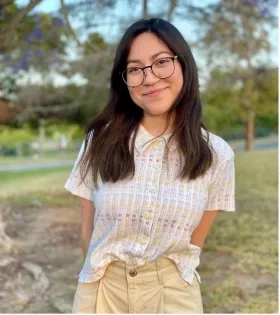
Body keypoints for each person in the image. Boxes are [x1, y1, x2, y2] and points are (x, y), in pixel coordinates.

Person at [64, 18, 235, 314]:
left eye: (161, 62)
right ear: (124, 80)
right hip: (102, 291)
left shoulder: (217, 154)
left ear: (185, 65)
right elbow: (87, 231)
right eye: (134, 69)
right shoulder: (99, 141)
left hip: (173, 294)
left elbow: (195, 243)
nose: (149, 78)